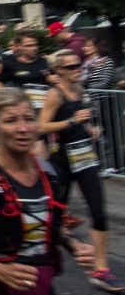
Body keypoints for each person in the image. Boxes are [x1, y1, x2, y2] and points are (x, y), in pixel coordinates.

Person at [0, 87, 94, 295]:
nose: (23, 128)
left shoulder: (51, 173)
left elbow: (50, 224)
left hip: (37, 286)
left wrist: (74, 244)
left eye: (29, 119)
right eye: (11, 121)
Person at [39, 51, 123, 291]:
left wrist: (90, 129)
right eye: (73, 66)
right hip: (62, 160)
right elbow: (41, 127)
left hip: (85, 158)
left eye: (79, 65)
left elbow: (82, 121)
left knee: (99, 212)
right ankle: (41, 264)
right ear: (60, 70)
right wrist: (71, 122)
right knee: (52, 216)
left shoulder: (80, 91)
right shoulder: (54, 95)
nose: (79, 69)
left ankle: (101, 270)